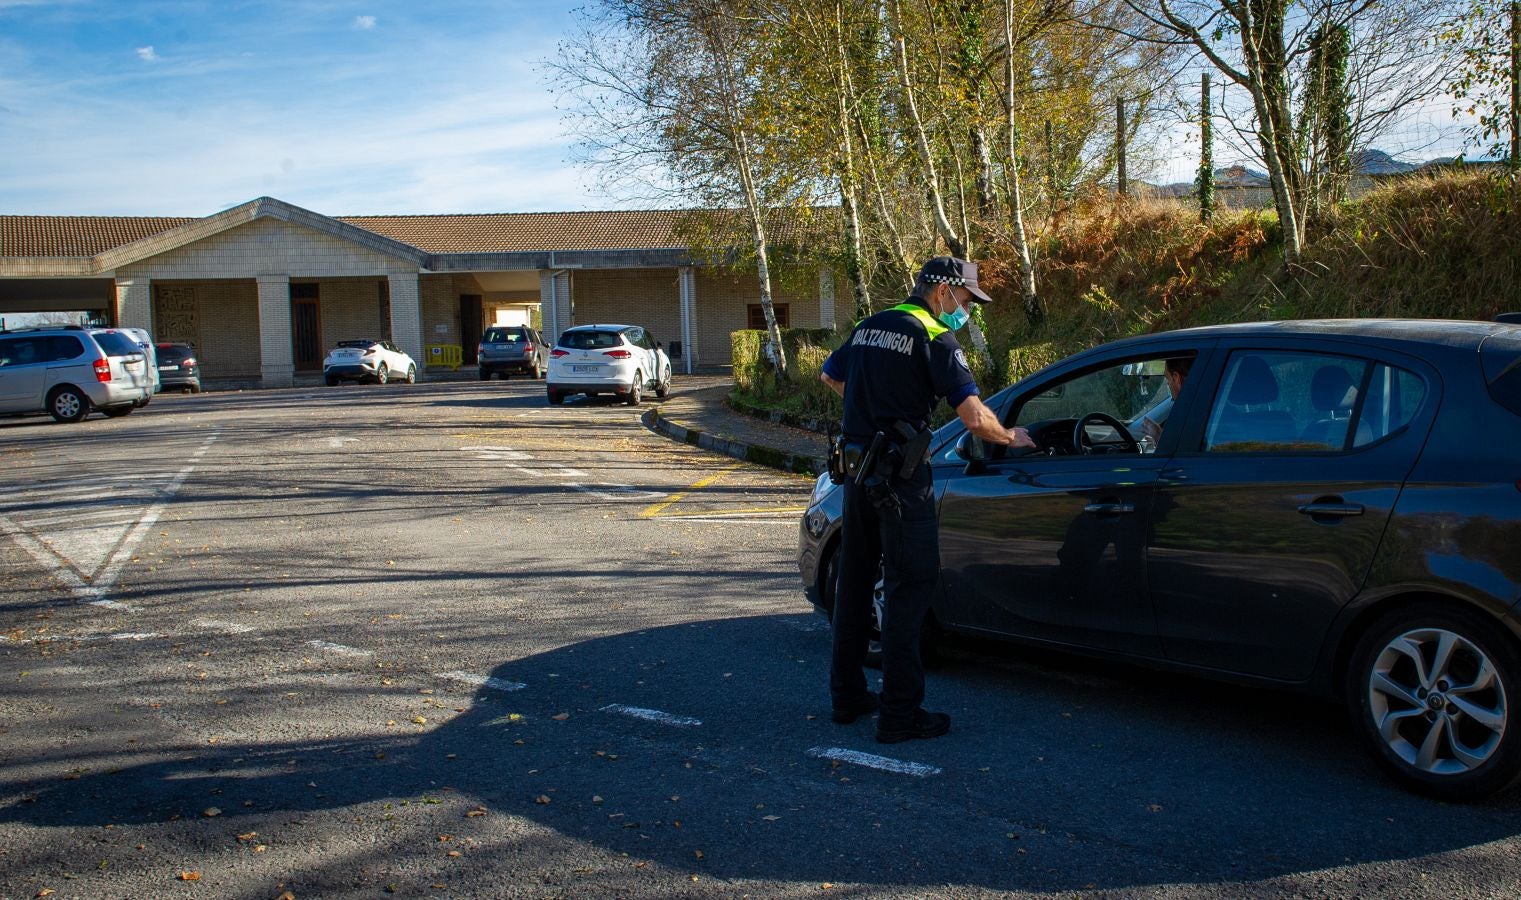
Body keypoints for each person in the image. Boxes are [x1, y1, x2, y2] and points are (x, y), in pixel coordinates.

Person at [820, 256, 1036, 743]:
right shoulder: (934, 337)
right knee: (908, 588)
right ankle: (900, 713)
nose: (966, 311)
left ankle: (847, 696)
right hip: (901, 480)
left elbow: (830, 377)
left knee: (855, 585)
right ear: (942, 291)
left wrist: (873, 406)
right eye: (964, 301)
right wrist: (1011, 438)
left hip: (856, 474)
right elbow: (975, 418)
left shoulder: (869, 326)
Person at [1139, 356, 1192, 448]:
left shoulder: (1192, 413)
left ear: (1176, 378)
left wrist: (1158, 436)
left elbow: (1182, 455)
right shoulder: (1205, 404)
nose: (1168, 384)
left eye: (1168, 379)